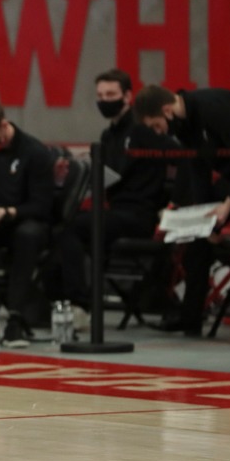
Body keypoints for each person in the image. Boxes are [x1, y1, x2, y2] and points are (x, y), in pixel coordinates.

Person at [133, 85, 230, 342]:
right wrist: (206, 220)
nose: (158, 132)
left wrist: (227, 206)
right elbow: (198, 169)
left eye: (157, 126)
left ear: (167, 110)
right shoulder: (183, 126)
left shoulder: (213, 107)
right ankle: (190, 317)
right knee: (197, 237)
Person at [52, 70, 170, 314]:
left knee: (71, 230)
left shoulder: (142, 128)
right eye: (100, 95)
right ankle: (56, 299)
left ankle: (79, 302)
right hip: (115, 211)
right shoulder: (108, 134)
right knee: (60, 224)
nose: (104, 100)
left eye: (110, 94)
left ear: (127, 96)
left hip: (139, 214)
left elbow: (176, 155)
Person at [0, 99, 55, 347]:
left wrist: (7, 212)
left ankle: (15, 319)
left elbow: (42, 205)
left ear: (3, 126)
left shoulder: (35, 153)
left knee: (26, 236)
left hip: (24, 221)